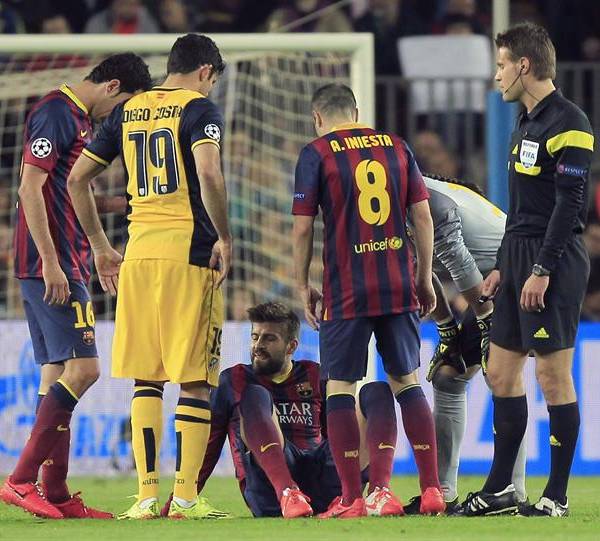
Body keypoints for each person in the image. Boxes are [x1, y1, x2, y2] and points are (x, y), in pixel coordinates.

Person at [67, 33, 232, 520]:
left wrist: (101, 247)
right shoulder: (198, 109)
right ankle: (184, 498)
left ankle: (144, 498)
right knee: (195, 380)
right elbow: (210, 174)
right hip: (189, 255)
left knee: (147, 379)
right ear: (205, 72)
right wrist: (225, 236)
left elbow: (76, 179)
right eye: (212, 82)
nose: (209, 90)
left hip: (137, 256)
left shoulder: (127, 110)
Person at [0, 53, 152, 519]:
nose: (118, 116)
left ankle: (56, 492)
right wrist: (50, 262)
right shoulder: (56, 111)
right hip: (54, 263)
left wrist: (124, 203)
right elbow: (29, 187)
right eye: (122, 105)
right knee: (85, 369)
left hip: (67, 261)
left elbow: (66, 192)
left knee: (56, 375)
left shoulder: (78, 119)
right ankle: (20, 480)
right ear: (111, 86)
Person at [292, 83, 444, 518]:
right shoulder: (397, 146)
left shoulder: (317, 153)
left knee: (340, 386)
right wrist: (423, 277)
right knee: (407, 381)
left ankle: (350, 499)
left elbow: (302, 227)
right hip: (397, 281)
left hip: (347, 287)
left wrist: (302, 284)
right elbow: (422, 216)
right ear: (356, 112)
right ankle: (432, 490)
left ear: (317, 117)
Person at [463, 22, 594, 517]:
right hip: (518, 255)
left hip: (553, 259)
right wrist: (504, 265)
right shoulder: (524, 123)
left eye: (501, 65)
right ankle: (501, 490)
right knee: (500, 373)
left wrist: (541, 268)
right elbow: (519, 209)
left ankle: (556, 496)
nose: (496, 76)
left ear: (524, 65)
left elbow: (570, 205)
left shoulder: (570, 122)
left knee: (552, 376)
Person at [164, 301, 403, 518]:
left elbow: (339, 433)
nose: (258, 346)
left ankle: (379, 492)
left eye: (269, 339)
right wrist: (179, 499)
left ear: (291, 346)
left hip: (322, 479)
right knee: (255, 395)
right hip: (270, 490)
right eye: (255, 337)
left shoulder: (314, 374)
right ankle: (288, 492)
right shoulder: (232, 380)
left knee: (376, 391)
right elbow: (208, 447)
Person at [401, 173, 528, 514]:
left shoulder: (421, 194)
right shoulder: (397, 196)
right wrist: (447, 330)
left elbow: (457, 257)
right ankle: (443, 494)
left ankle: (513, 491)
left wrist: (485, 320)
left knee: (501, 375)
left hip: (517, 273)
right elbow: (419, 270)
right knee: (448, 375)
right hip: (489, 283)